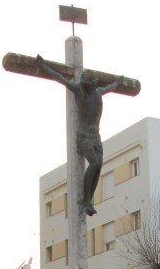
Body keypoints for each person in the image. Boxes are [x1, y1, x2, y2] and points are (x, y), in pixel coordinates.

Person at [35, 55, 122, 216]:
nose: (93, 86)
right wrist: (44, 67)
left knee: (99, 165)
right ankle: (85, 200)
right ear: (86, 84)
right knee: (95, 163)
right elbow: (59, 78)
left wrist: (118, 83)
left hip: (96, 136)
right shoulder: (78, 91)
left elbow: (110, 87)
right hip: (83, 136)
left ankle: (89, 199)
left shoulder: (99, 92)